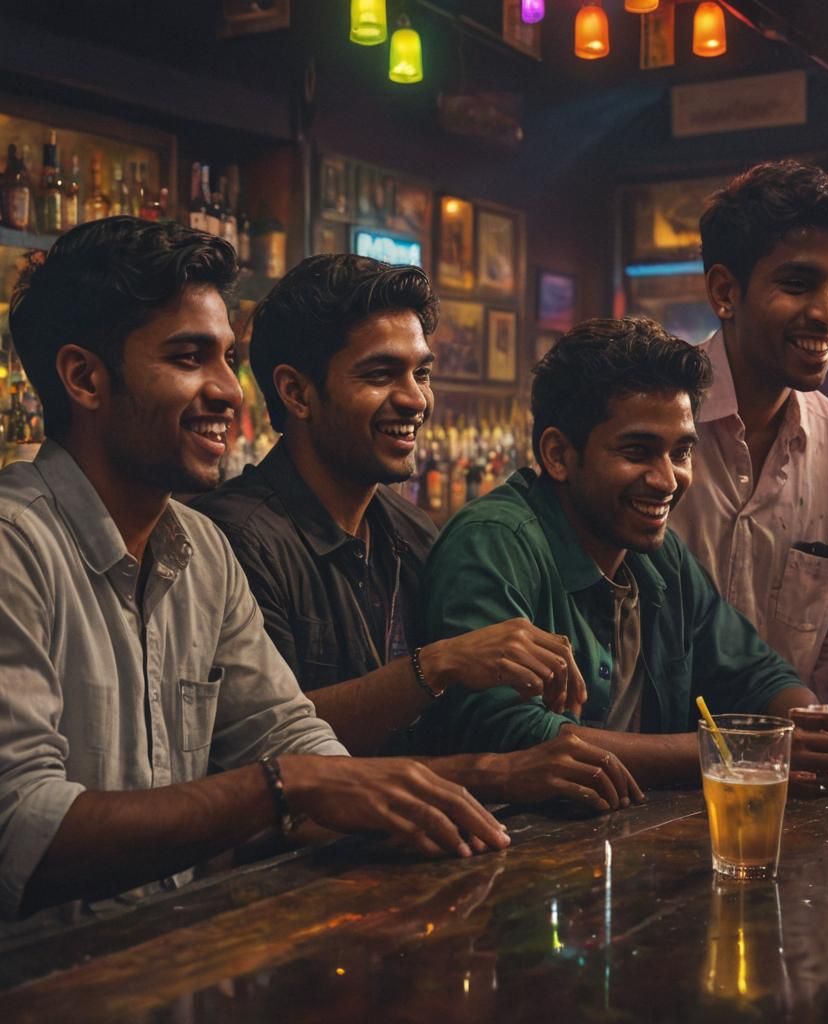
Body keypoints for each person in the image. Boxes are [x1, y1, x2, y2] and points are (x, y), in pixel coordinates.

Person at [0, 219, 509, 922]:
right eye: (188, 358)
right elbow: (22, 834)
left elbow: (289, 736)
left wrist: (411, 813)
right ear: (85, 378)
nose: (230, 393)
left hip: (162, 965)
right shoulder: (14, 548)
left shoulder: (201, 551)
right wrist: (283, 789)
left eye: (227, 359)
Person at [414, 317, 828, 786]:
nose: (667, 480)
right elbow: (507, 735)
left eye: (681, 452)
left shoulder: (655, 556)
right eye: (638, 450)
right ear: (559, 455)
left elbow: (757, 677)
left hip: (623, 860)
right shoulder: (493, 546)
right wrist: (728, 753)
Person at [193, 254, 641, 814]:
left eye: (421, 373)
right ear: (297, 393)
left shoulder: (407, 529)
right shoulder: (236, 540)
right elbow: (265, 743)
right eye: (381, 375)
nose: (415, 399)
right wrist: (439, 670)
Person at [668, 160, 828, 707]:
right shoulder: (647, 427)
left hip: (790, 772)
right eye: (797, 284)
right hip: (640, 771)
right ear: (724, 292)